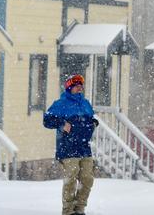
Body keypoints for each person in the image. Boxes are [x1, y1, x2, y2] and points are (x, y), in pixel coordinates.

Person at [43, 74, 99, 215]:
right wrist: (62, 123)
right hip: (68, 148)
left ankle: (79, 209)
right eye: (76, 85)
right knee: (71, 180)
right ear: (69, 87)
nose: (80, 88)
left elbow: (91, 117)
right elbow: (47, 120)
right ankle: (68, 211)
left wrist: (93, 123)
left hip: (84, 148)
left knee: (87, 179)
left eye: (81, 85)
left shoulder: (85, 103)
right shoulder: (60, 104)